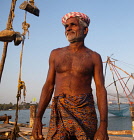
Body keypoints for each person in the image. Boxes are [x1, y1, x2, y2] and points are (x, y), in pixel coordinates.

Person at [32, 12, 108, 140]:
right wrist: (38, 118)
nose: (68, 28)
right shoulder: (55, 54)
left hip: (85, 111)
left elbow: (100, 89)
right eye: (66, 26)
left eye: (73, 25)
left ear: (85, 30)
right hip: (59, 110)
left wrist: (103, 126)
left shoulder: (94, 57)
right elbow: (49, 85)